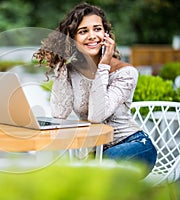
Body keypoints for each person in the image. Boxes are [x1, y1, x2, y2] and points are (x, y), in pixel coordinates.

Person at [33, 2, 157, 175]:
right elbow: (59, 114)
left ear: (106, 35)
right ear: (72, 38)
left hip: (134, 146)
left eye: (97, 29)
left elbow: (96, 116)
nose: (92, 35)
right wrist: (60, 64)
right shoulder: (71, 71)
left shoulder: (126, 73)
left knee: (92, 172)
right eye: (83, 31)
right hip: (96, 152)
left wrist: (103, 66)